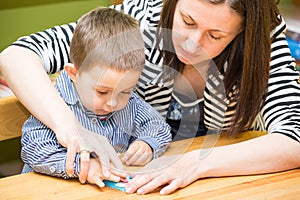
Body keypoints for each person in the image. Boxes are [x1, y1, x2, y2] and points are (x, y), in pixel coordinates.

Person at [0, 0, 300, 195]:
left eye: (216, 35)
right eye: (188, 21)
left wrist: (196, 163)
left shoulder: (263, 41)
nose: (192, 44)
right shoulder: (141, 20)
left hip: (223, 182)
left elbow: (294, 137)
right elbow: (16, 56)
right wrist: (69, 127)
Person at [20, 7, 171, 188]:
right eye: (102, 92)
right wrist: (83, 166)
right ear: (74, 73)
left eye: (125, 91)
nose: (113, 103)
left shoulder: (130, 103)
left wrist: (147, 144)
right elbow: (35, 150)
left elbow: (158, 126)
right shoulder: (53, 103)